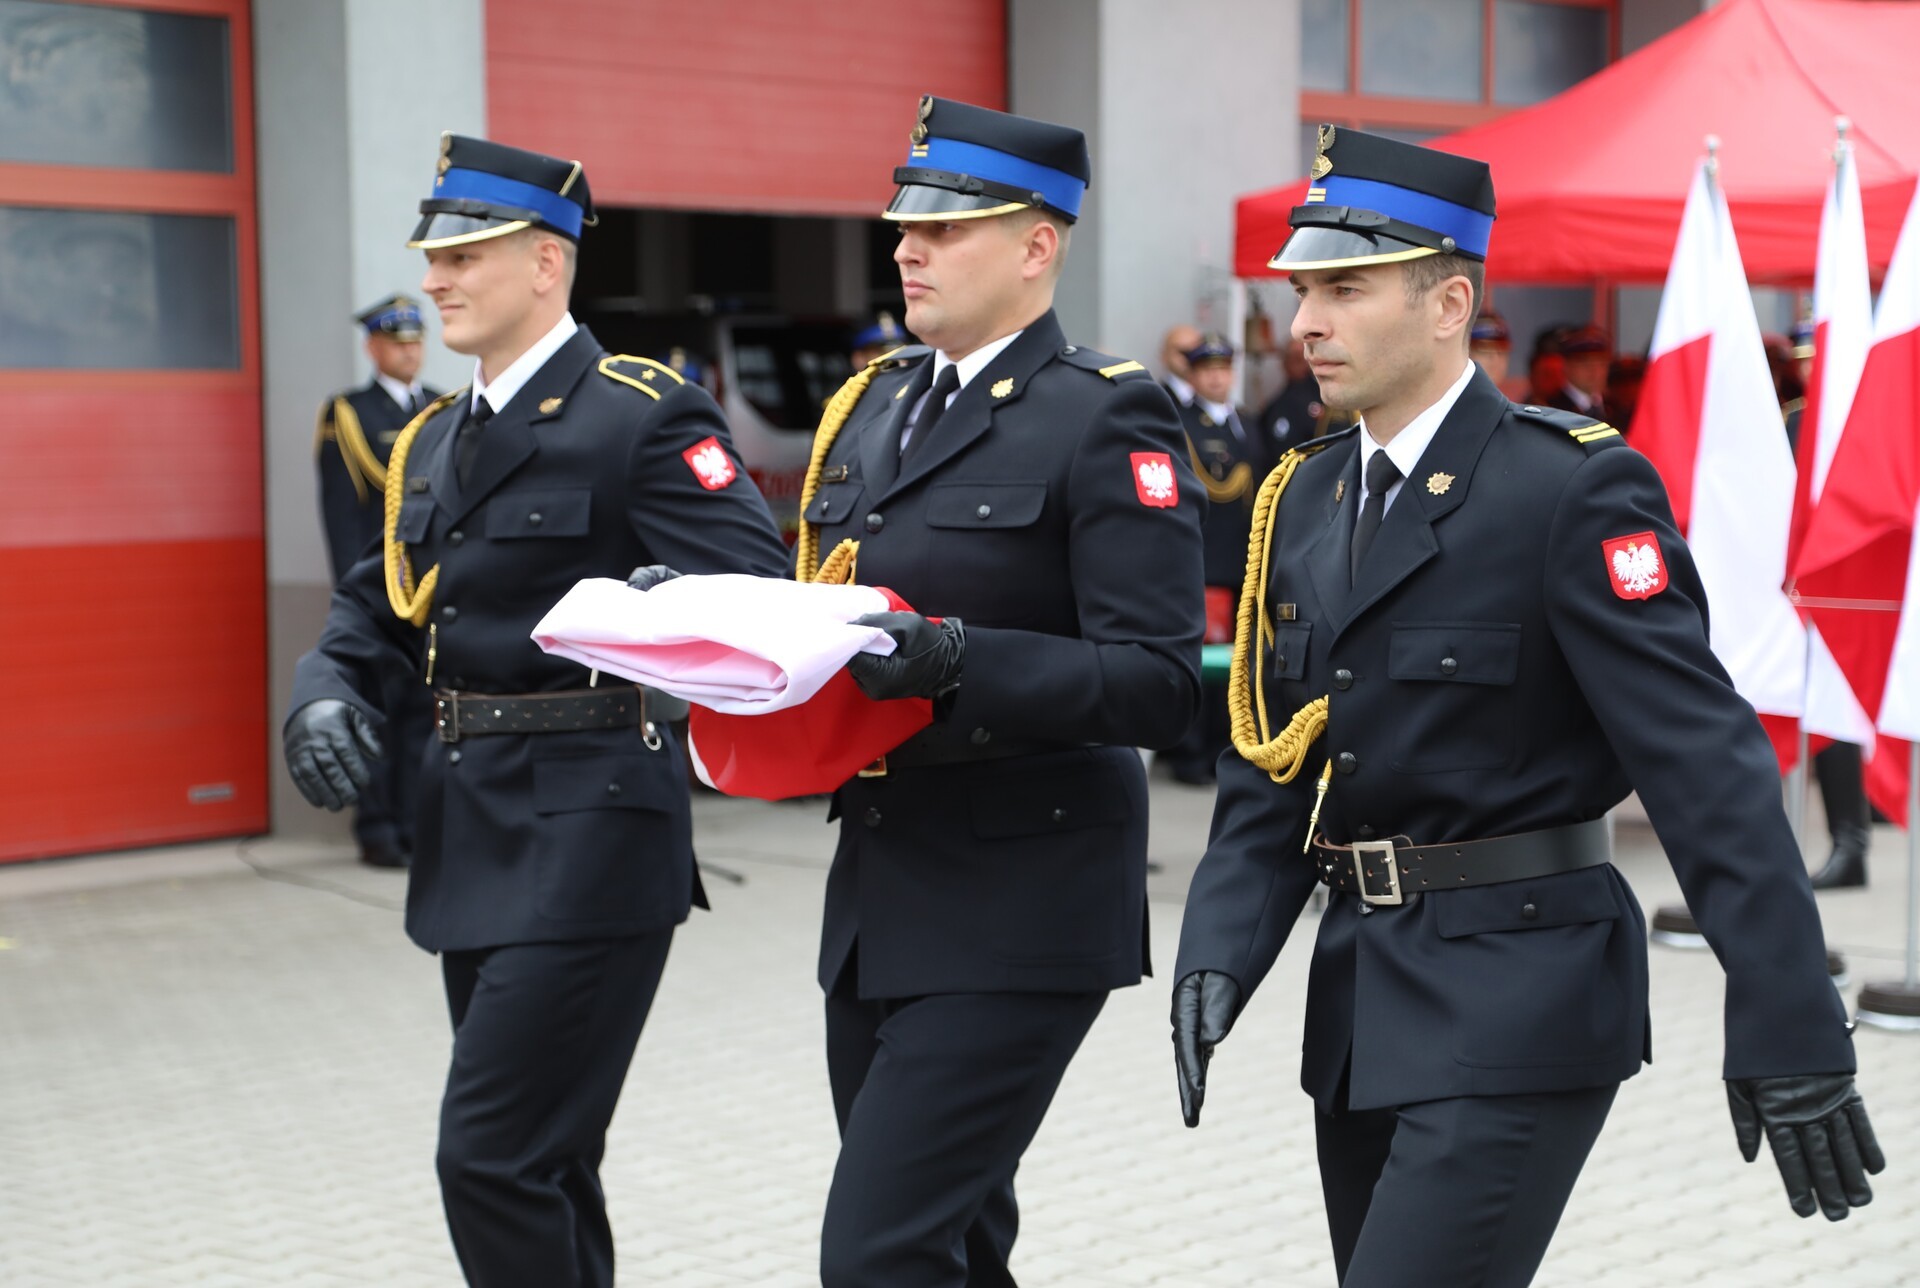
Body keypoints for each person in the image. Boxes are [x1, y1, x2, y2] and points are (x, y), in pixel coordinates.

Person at [1171, 126, 1882, 1287]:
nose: (1305, 323)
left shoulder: (1570, 488)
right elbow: (1278, 760)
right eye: (1303, 291)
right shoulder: (1303, 497)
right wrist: (1219, 949)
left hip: (1521, 994)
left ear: (1449, 303)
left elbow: (1705, 767)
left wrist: (1787, 1011)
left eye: (1345, 290)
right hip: (1360, 1002)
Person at [281, 133, 790, 1287]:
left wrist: (663, 604)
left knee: (491, 1158)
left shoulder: (641, 414)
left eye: (464, 255)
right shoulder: (431, 440)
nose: (436, 280)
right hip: (471, 826)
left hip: (595, 829)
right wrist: (321, 692)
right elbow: (376, 603)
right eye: (434, 257)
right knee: (547, 1160)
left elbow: (754, 587)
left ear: (547, 263)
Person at [781, 95, 1205, 1286]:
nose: (908, 248)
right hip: (882, 890)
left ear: (1036, 245)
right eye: (904, 227)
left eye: (946, 228)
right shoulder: (874, 406)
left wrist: (965, 658)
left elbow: (1162, 684)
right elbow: (829, 607)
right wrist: (697, 626)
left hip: (1024, 896)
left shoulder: (1104, 411)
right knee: (955, 1246)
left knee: (879, 1253)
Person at [313, 294, 442, 868]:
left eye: (416, 342)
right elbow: (343, 514)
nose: (409, 353)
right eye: (397, 343)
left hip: (430, 590)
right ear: (372, 347)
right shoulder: (350, 413)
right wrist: (357, 599)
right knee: (376, 713)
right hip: (380, 590)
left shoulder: (441, 406)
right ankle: (377, 830)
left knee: (421, 716)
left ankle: (415, 826)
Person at [1783, 317, 1871, 889]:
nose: (1812, 368)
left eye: (1818, 356)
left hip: (1863, 582)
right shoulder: (1793, 420)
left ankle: (1858, 830)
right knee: (1823, 703)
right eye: (1804, 360)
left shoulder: (1868, 410)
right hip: (1810, 579)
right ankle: (1849, 841)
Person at [1166, 331, 1264, 784]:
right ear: (1193, 375)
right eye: (1208, 370)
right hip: (1206, 561)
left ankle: (1226, 749)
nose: (1217, 379)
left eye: (1224, 369)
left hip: (1241, 561)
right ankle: (1191, 754)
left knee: (1235, 665)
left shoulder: (1245, 422)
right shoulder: (1184, 424)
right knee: (1202, 663)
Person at [1547, 323, 1614, 421]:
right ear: (1566, 366)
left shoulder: (1613, 408)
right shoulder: (1551, 410)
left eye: (1601, 364)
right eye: (1585, 364)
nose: (1595, 371)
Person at [1160, 322, 1202, 411]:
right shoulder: (1157, 399)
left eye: (1195, 352)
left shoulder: (1209, 397)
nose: (1189, 357)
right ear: (1164, 356)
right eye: (1182, 351)